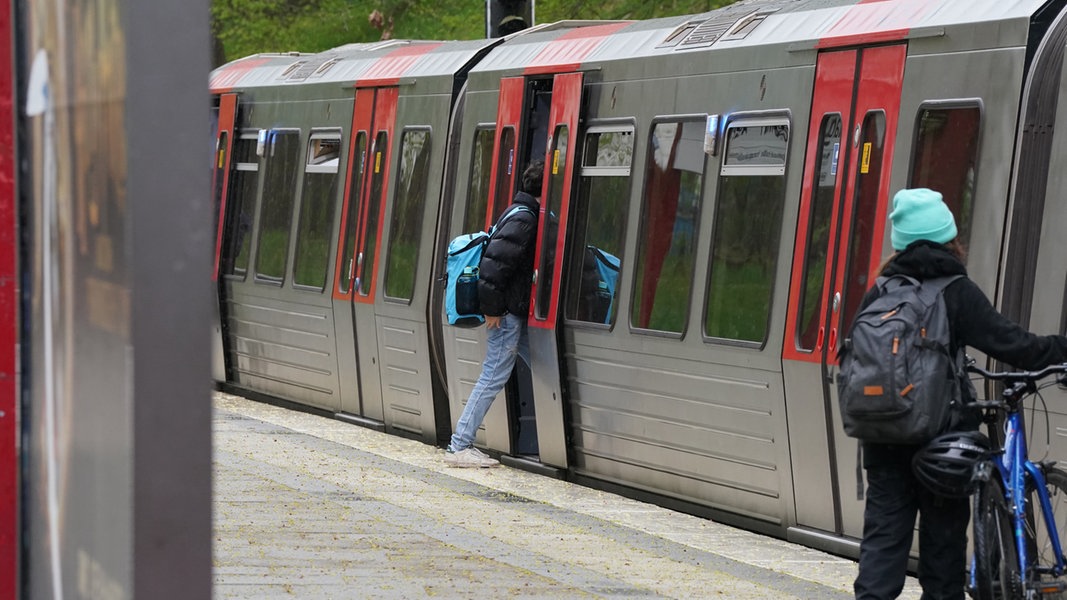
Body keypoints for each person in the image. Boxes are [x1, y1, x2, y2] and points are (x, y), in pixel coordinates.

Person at [853, 188, 1067, 599]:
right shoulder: (955, 290)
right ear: (949, 238)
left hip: (882, 438)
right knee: (942, 558)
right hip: (941, 446)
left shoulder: (880, 291)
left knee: (881, 550)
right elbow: (1017, 346)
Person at [445, 159, 543, 468]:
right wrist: (493, 310)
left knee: (546, 362)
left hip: (511, 311)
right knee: (493, 376)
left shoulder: (517, 212)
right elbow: (492, 267)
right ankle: (460, 445)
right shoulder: (525, 220)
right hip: (506, 314)